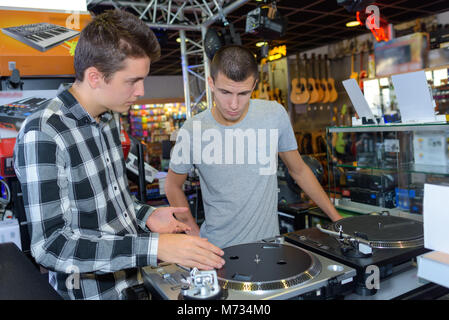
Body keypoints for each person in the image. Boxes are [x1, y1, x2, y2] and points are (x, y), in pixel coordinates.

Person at [13, 10, 224, 300]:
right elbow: (52, 246)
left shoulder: (110, 118)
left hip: (137, 284)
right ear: (95, 77)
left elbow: (112, 200)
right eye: (132, 81)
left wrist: (146, 215)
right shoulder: (44, 133)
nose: (141, 91)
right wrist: (156, 247)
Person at [165, 45, 343, 249]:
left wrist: (336, 218)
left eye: (243, 93)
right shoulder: (192, 130)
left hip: (269, 246)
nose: (233, 104)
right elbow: (172, 185)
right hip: (217, 248)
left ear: (254, 85)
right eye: (225, 92)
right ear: (211, 83)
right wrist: (194, 235)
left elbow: (299, 170)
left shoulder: (274, 114)